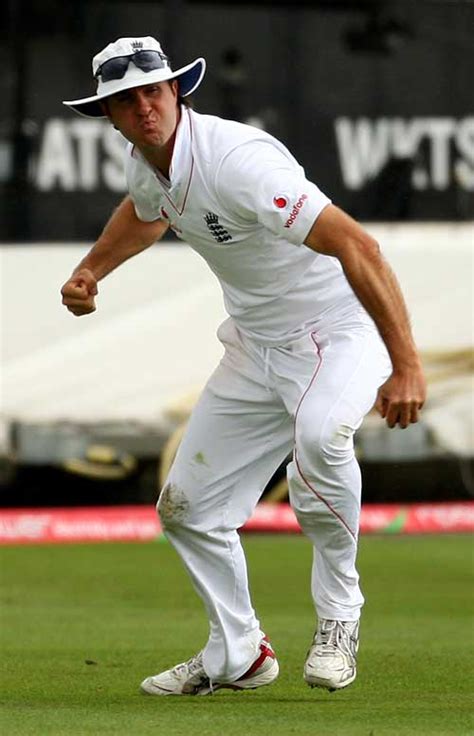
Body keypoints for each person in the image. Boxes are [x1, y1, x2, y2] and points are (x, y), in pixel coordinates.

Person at [61, 36, 426, 696]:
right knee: (185, 509)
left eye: (153, 90)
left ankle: (340, 617)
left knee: (319, 438)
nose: (144, 107)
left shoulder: (239, 162)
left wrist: (406, 365)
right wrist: (91, 270)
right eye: (126, 99)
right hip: (256, 346)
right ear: (107, 114)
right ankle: (240, 653)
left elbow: (357, 244)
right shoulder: (148, 161)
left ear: (177, 91)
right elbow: (146, 213)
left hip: (337, 333)